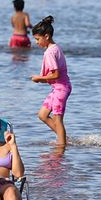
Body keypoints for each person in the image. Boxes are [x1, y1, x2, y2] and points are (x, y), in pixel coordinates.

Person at [31, 16, 72, 145]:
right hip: (58, 88)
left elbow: (55, 74)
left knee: (57, 118)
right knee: (42, 115)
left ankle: (61, 146)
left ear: (46, 36)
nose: (36, 42)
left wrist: (39, 78)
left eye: (38, 39)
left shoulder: (49, 52)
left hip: (62, 88)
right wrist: (41, 80)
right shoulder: (56, 47)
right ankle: (63, 138)